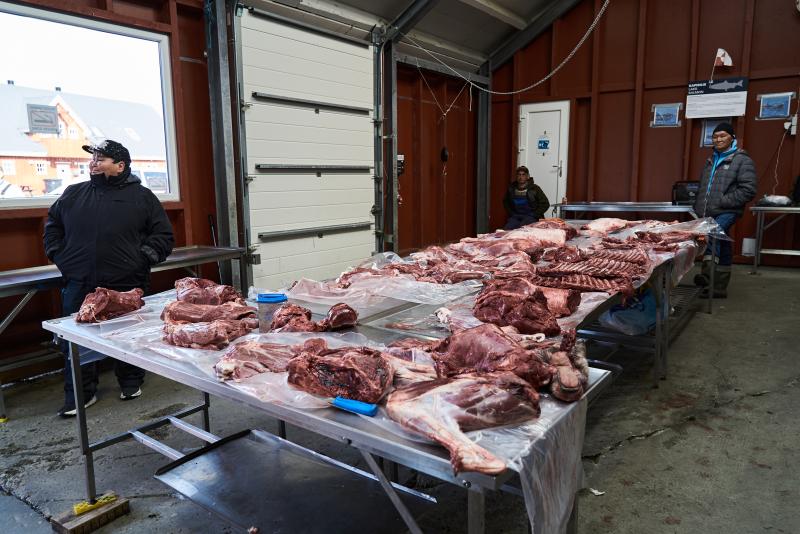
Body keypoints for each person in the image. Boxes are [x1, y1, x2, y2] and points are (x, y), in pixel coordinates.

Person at [43, 140, 174, 417]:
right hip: (80, 281)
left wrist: (140, 260)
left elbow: (163, 236)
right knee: (77, 339)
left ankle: (131, 382)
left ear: (120, 165)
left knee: (129, 335)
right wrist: (59, 255)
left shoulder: (142, 197)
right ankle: (80, 394)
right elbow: (53, 225)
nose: (93, 163)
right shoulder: (74, 193)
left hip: (126, 281)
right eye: (93, 159)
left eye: (101, 159)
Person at [692, 122, 757, 298]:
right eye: (715, 136)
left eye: (722, 136)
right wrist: (698, 206)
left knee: (712, 235)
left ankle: (707, 278)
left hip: (728, 210)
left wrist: (722, 201)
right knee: (724, 243)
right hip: (709, 211)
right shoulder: (711, 160)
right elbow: (703, 187)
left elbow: (748, 190)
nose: (718, 139)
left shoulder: (742, 160)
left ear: (732, 138)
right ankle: (719, 287)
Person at [502, 166, 550, 230]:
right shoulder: (511, 189)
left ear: (527, 176)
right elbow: (505, 202)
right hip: (516, 216)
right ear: (516, 176)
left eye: (523, 175)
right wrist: (512, 213)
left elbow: (545, 204)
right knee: (506, 230)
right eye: (519, 175)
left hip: (531, 217)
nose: (521, 177)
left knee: (521, 230)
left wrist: (534, 214)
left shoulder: (535, 188)